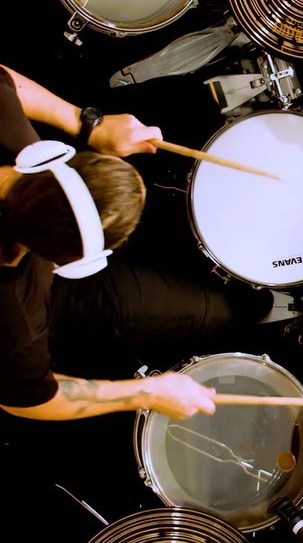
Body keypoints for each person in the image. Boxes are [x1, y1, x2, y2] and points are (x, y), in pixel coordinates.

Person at [0, 63, 285, 423]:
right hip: (58, 300)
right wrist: (145, 393)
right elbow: (29, 398)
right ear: (70, 263)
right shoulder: (16, 319)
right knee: (206, 311)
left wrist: (88, 123)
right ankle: (242, 311)